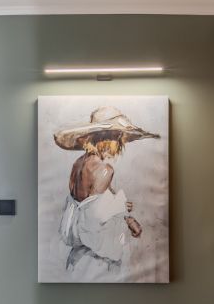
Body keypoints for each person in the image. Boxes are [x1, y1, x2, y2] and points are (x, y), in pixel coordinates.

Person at [53, 106, 160, 276]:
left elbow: (91, 204)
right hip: (97, 261)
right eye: (118, 137)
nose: (121, 143)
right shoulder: (105, 170)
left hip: (77, 258)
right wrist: (118, 206)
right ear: (104, 138)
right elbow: (93, 220)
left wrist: (126, 216)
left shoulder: (78, 164)